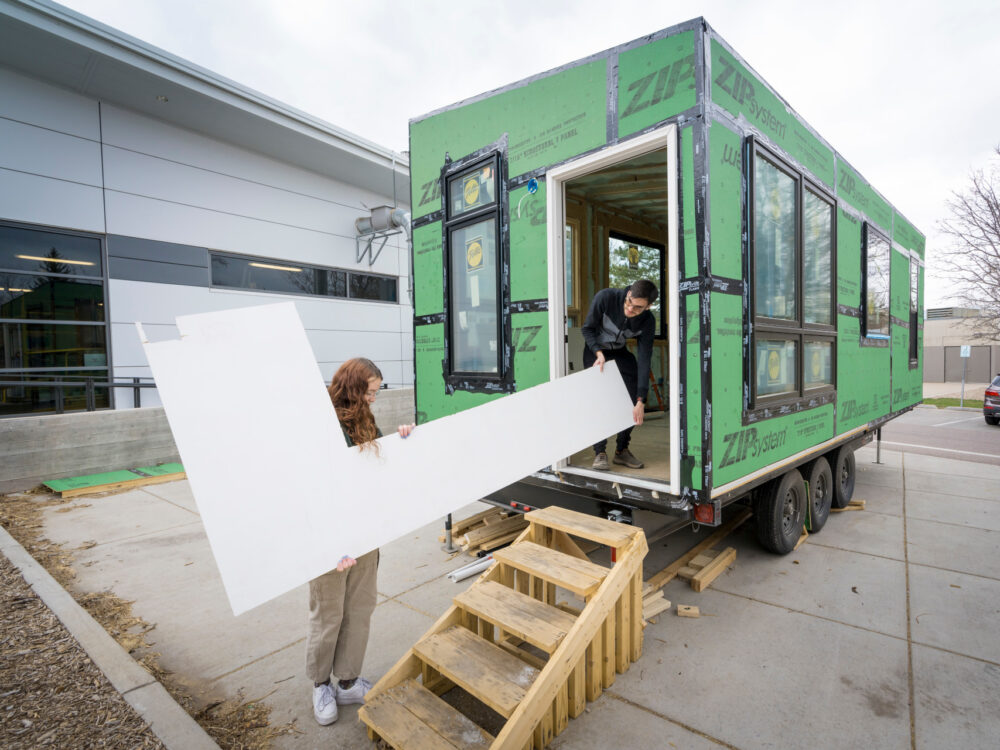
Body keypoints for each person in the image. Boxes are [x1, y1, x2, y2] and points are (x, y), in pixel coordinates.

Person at [306, 357, 415, 726]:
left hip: (364, 531)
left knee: (360, 608)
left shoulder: (366, 420)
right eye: (369, 392)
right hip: (328, 536)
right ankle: (321, 684)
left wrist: (399, 441)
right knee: (328, 614)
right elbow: (312, 488)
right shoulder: (319, 422)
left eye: (376, 393)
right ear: (352, 387)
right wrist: (329, 543)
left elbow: (378, 466)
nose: (372, 400)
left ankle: (349, 680)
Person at [581, 279, 658, 470]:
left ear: (648, 306)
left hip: (619, 352)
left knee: (632, 398)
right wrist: (598, 353)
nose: (630, 309)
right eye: (628, 301)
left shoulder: (648, 322)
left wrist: (641, 400)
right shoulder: (606, 298)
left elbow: (644, 359)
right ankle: (600, 452)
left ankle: (622, 451)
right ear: (628, 292)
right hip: (595, 350)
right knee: (600, 401)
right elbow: (587, 328)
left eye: (637, 307)